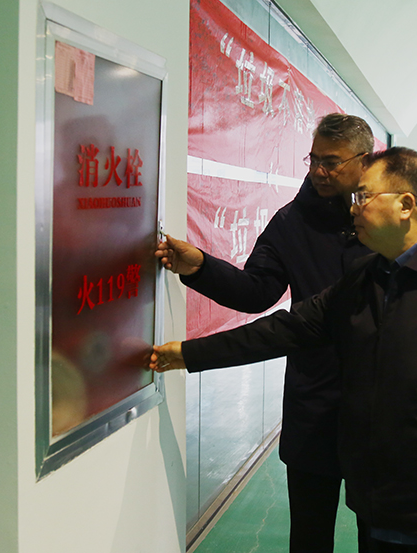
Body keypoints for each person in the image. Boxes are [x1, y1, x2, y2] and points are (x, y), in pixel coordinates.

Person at [152, 147, 417, 553]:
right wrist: (187, 354)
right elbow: (287, 329)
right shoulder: (366, 277)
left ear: (406, 205)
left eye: (363, 197)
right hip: (378, 507)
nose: (353, 209)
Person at [156, 113, 374, 553]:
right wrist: (200, 267)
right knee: (309, 535)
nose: (319, 171)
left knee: (383, 533)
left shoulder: (385, 219)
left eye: (332, 162)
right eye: (314, 159)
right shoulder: (291, 221)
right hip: (315, 400)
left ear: (364, 161)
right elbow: (257, 291)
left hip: (381, 405)